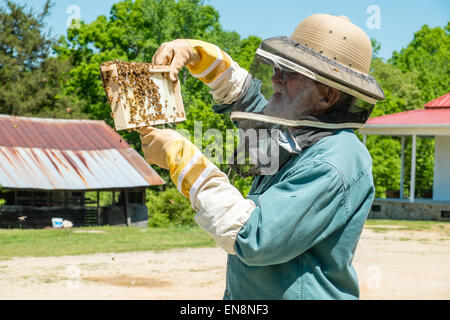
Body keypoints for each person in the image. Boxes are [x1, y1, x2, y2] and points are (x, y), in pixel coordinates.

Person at [139, 14, 385, 299]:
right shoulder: (301, 133)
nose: (274, 78)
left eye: (290, 72)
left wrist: (182, 160)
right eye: (278, 67)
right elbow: (252, 105)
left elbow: (254, 236)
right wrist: (200, 57)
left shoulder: (335, 159)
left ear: (327, 95)